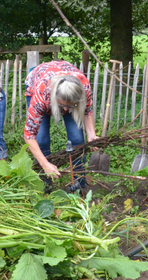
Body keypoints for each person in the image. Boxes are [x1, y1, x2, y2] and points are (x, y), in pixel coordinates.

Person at [24, 61, 99, 189]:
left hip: (68, 89)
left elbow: (87, 111)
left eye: (69, 106)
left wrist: (92, 136)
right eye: (61, 105)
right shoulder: (42, 94)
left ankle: (79, 187)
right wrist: (45, 164)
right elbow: (29, 135)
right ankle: (45, 186)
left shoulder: (83, 88)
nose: (65, 110)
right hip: (38, 81)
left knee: (78, 140)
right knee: (41, 140)